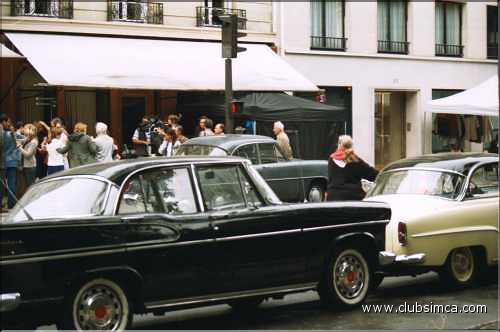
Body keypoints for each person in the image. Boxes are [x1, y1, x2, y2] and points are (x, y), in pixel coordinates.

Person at [326, 135, 378, 201]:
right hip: (353, 198)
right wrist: (382, 176)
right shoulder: (355, 160)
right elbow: (371, 173)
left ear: (339, 145)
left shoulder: (331, 159)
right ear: (351, 146)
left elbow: (330, 180)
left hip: (333, 198)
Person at [1, 115, 20, 209]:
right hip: (12, 161)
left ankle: (1, 204)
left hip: (3, 162)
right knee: (12, 183)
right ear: (4, 122)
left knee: (2, 184)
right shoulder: (13, 134)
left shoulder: (2, 134)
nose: (10, 123)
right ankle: (11, 204)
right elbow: (23, 139)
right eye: (8, 121)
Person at [17, 124, 38, 188]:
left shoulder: (34, 141)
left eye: (26, 133)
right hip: (26, 165)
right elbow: (22, 139)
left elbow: (28, 154)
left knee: (30, 185)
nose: (25, 135)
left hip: (30, 166)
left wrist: (19, 147)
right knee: (28, 184)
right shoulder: (29, 139)